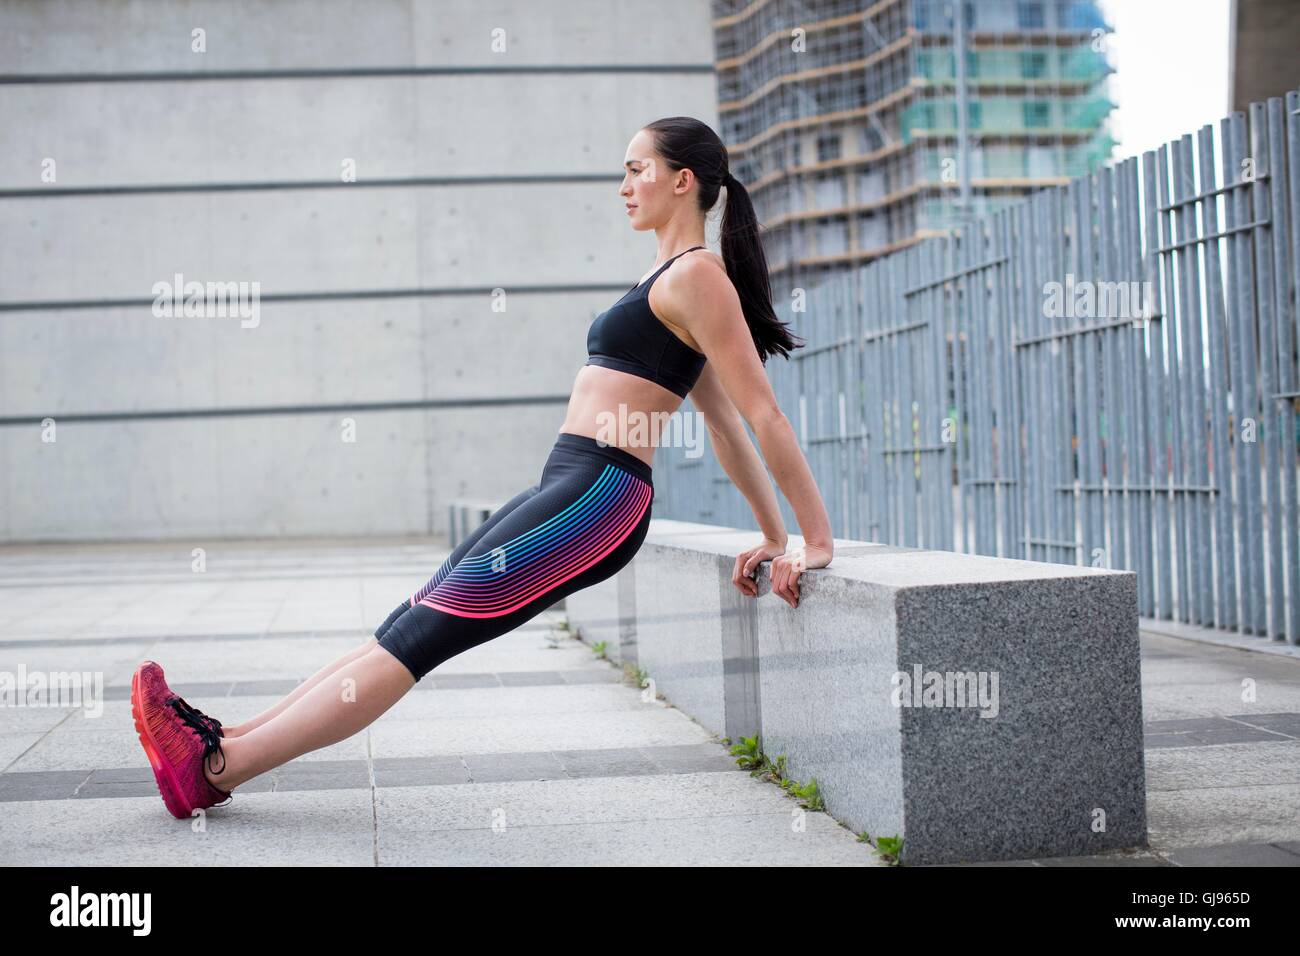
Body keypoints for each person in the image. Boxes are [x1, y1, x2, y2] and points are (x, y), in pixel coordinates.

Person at [131, 116, 835, 818]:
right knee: (404, 621)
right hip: (572, 483)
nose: (622, 186)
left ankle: (218, 770)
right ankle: (223, 739)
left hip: (599, 496)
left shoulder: (700, 278)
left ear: (683, 181)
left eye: (636, 169)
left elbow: (758, 415)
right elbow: (717, 419)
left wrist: (812, 540)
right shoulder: (670, 276)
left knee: (418, 638)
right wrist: (770, 537)